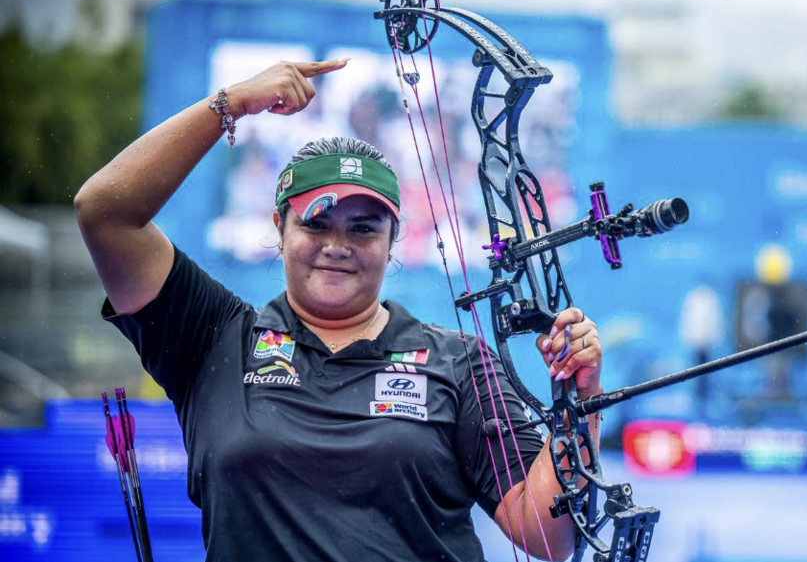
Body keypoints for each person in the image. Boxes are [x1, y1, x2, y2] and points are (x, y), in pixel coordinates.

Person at [74, 59, 604, 561]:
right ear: (279, 229)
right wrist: (231, 104)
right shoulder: (214, 337)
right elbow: (105, 212)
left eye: (364, 228)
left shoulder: (458, 362)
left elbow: (548, 536)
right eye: (316, 223)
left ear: (392, 242)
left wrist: (581, 404)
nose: (338, 244)